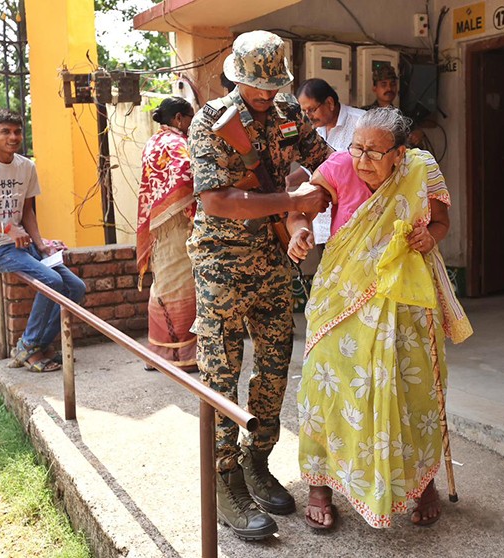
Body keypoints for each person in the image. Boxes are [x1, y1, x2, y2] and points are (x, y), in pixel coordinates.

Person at [286, 108, 472, 530]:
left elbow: (441, 220)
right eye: (357, 148)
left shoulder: (421, 169)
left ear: (400, 153)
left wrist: (431, 236)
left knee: (410, 388)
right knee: (326, 385)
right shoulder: (337, 166)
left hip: (405, 296)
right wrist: (298, 231)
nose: (362, 159)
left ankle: (421, 482)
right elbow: (302, 208)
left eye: (374, 151)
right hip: (342, 295)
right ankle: (320, 484)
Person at [186, 30, 332, 540]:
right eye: (256, 87)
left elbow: (325, 162)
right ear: (235, 76)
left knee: (274, 366)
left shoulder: (289, 112)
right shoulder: (209, 123)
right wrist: (291, 205)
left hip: (271, 259)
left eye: (272, 87)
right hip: (221, 261)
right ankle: (225, 481)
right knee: (222, 372)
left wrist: (316, 196)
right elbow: (217, 201)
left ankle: (257, 461)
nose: (265, 96)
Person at [0, 109, 86, 372]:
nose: (13, 137)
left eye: (17, 131)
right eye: (5, 132)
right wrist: (5, 228)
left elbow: (27, 211)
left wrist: (41, 243)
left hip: (22, 243)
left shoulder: (26, 166)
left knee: (75, 287)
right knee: (52, 281)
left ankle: (39, 345)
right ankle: (28, 346)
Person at [136, 96, 197, 372]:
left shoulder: (154, 142)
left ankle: (159, 353)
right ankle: (180, 356)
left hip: (158, 225)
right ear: (179, 119)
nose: (193, 123)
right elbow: (187, 176)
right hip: (177, 223)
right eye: (191, 118)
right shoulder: (177, 143)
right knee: (182, 286)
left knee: (163, 283)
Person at [296, 78, 365, 249]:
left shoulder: (362, 123)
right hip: (323, 228)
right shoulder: (315, 130)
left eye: (311, 109)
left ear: (329, 103)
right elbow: (310, 170)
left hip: (357, 226)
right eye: (304, 112)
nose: (308, 116)